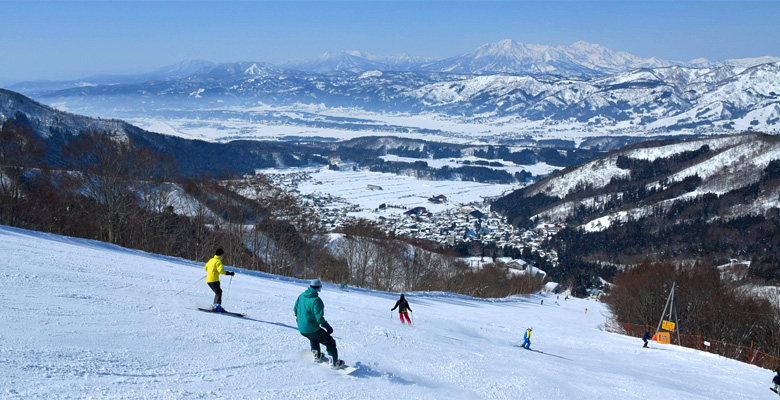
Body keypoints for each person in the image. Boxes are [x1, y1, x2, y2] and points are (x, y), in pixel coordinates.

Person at [294, 279, 344, 367]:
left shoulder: (301, 296)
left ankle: (316, 355)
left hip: (301, 328)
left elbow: (295, 309)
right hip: (311, 328)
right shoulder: (316, 300)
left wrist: (300, 321)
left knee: (313, 338)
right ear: (319, 288)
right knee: (330, 342)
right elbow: (319, 318)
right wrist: (327, 327)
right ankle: (334, 362)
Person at [205, 248, 234, 312]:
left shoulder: (211, 260)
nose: (222, 256)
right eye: (222, 255)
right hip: (214, 280)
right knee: (219, 292)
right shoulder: (218, 261)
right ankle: (217, 306)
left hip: (208, 280)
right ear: (221, 254)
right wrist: (229, 273)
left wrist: (211, 272)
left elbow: (206, 268)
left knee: (217, 292)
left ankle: (215, 306)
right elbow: (220, 271)